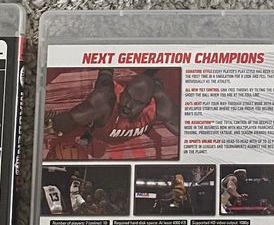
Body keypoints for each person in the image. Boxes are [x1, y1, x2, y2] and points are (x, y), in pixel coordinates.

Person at [47, 68, 179, 160]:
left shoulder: (159, 106)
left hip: (111, 127)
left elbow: (183, 130)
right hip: (103, 115)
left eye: (137, 102)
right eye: (127, 96)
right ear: (124, 91)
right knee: (104, 83)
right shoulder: (105, 103)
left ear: (147, 103)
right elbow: (67, 121)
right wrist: (54, 123)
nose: (128, 105)